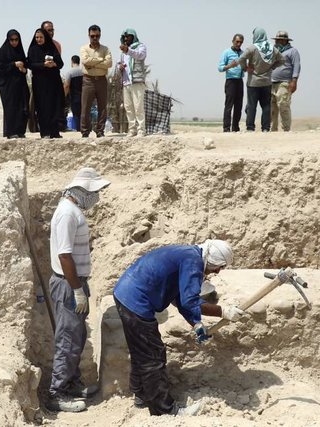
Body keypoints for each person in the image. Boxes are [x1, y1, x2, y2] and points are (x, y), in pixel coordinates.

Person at [113, 239, 248, 416]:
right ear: (211, 259)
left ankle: (142, 395)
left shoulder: (189, 254)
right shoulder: (194, 261)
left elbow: (179, 298)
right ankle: (165, 410)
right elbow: (190, 301)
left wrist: (197, 324)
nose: (217, 271)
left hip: (127, 293)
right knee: (152, 356)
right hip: (136, 300)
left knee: (142, 352)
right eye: (218, 267)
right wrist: (223, 311)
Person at [47, 167, 111, 413]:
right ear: (82, 190)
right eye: (94, 192)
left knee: (77, 337)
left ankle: (72, 384)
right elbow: (64, 255)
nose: (96, 197)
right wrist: (76, 289)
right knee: (68, 339)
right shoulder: (67, 213)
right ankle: (57, 393)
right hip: (67, 284)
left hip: (74, 282)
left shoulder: (72, 210)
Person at [228, 27, 284, 132]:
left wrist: (245, 68)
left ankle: (250, 128)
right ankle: (266, 128)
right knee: (266, 106)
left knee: (252, 106)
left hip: (253, 82)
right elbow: (282, 60)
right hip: (267, 81)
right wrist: (272, 66)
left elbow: (241, 59)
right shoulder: (272, 48)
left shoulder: (252, 48)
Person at [27, 28, 64, 139]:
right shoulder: (33, 50)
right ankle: (45, 132)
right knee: (43, 107)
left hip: (53, 82)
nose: (39, 39)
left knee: (54, 106)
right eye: (37, 37)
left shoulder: (51, 48)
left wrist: (53, 64)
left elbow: (60, 63)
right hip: (40, 83)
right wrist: (43, 65)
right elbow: (30, 64)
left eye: (41, 37)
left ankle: (55, 132)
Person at [0, 29, 29, 139]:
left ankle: (20, 131)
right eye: (12, 40)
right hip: (8, 85)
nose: (14, 42)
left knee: (22, 106)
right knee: (11, 107)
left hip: (20, 84)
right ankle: (11, 132)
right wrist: (14, 64)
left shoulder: (20, 51)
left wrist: (24, 70)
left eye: (16, 40)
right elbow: (1, 66)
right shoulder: (4, 51)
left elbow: (26, 65)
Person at [80, 25, 112, 138]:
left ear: (100, 35)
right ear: (89, 35)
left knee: (102, 107)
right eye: (92, 36)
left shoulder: (105, 49)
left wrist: (92, 63)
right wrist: (101, 61)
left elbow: (109, 64)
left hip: (101, 80)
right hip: (88, 80)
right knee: (85, 107)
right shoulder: (84, 48)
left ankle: (100, 131)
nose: (95, 38)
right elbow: (85, 60)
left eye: (97, 36)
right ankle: (85, 131)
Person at [118, 28, 147, 137]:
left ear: (133, 37)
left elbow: (140, 55)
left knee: (138, 107)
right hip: (126, 83)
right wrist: (119, 66)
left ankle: (141, 130)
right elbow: (119, 63)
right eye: (124, 37)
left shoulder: (141, 47)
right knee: (128, 108)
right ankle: (132, 129)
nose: (126, 39)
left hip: (137, 81)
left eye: (128, 36)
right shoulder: (123, 52)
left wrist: (128, 50)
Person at [271, 31, 301, 132]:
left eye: (278, 40)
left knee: (283, 106)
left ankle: (286, 130)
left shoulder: (292, 51)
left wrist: (294, 81)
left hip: (284, 83)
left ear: (284, 41)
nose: (276, 42)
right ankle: (273, 130)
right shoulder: (273, 51)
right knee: (272, 108)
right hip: (271, 83)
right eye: (276, 40)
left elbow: (296, 66)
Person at [218, 34, 245, 132]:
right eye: (237, 41)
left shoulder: (243, 53)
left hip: (240, 81)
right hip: (230, 81)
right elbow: (220, 68)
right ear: (233, 41)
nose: (239, 44)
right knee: (229, 105)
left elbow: (245, 67)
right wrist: (230, 66)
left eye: (241, 42)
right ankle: (226, 128)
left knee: (239, 105)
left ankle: (235, 128)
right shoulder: (226, 52)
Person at [64, 55, 83, 131]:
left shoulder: (70, 72)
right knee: (84, 113)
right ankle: (84, 128)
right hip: (84, 95)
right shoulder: (84, 71)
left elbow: (67, 85)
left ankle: (78, 129)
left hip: (74, 96)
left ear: (72, 61)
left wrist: (64, 95)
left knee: (76, 114)